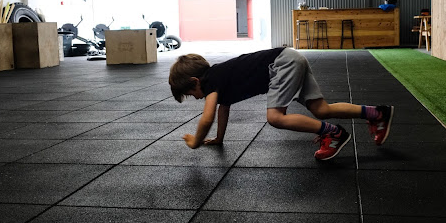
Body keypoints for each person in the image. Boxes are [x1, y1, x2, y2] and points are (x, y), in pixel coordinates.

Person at [168, 47, 393, 160]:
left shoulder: (211, 81)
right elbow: (222, 109)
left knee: (275, 117)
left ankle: (334, 133)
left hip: (281, 64)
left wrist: (195, 142)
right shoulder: (219, 80)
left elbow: (207, 117)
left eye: (191, 93)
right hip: (290, 57)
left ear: (195, 81)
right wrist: (219, 138)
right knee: (321, 109)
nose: (196, 97)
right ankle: (377, 113)